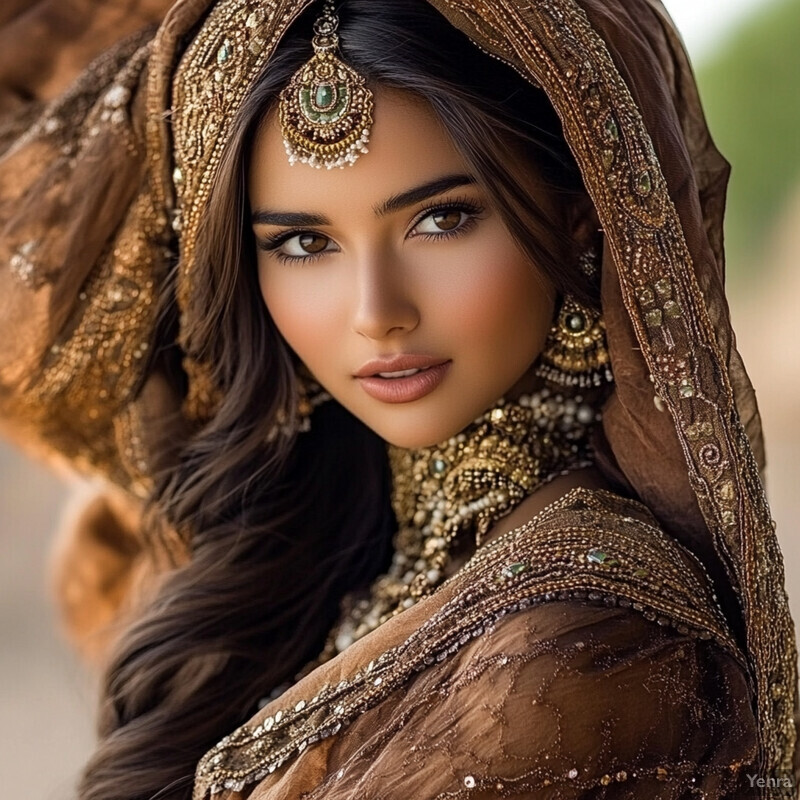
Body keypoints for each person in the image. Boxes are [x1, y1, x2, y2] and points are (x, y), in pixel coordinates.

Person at [0, 0, 796, 799]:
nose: (375, 311)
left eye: (442, 220)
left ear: (580, 220)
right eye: (304, 243)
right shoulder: (311, 555)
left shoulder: (586, 647)